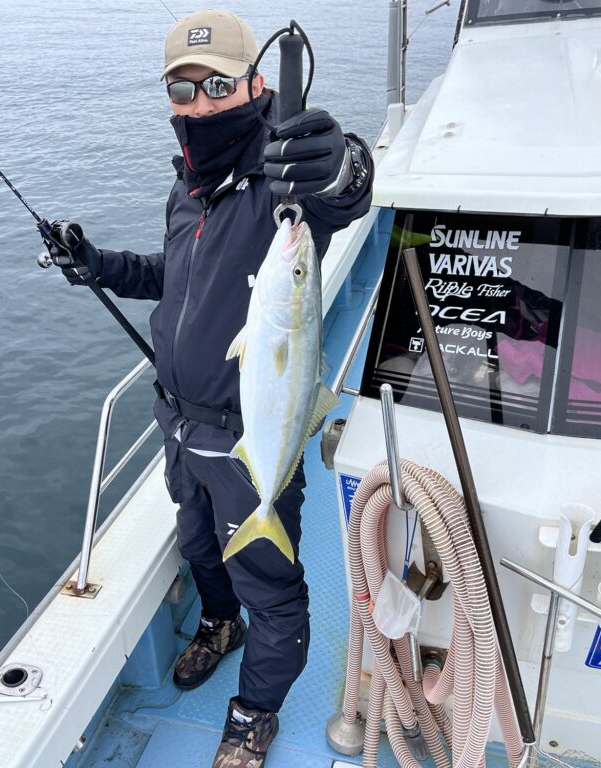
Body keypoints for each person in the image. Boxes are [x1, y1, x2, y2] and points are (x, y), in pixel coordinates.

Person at [49, 10, 372, 767]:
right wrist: (98, 266)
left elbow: (344, 192)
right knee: (198, 545)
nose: (199, 103)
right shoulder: (189, 187)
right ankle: (218, 623)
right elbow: (176, 277)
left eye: (218, 85)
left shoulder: (284, 180)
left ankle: (254, 712)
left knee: (271, 585)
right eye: (182, 89)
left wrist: (343, 163)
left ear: (255, 84)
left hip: (247, 434)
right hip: (177, 423)